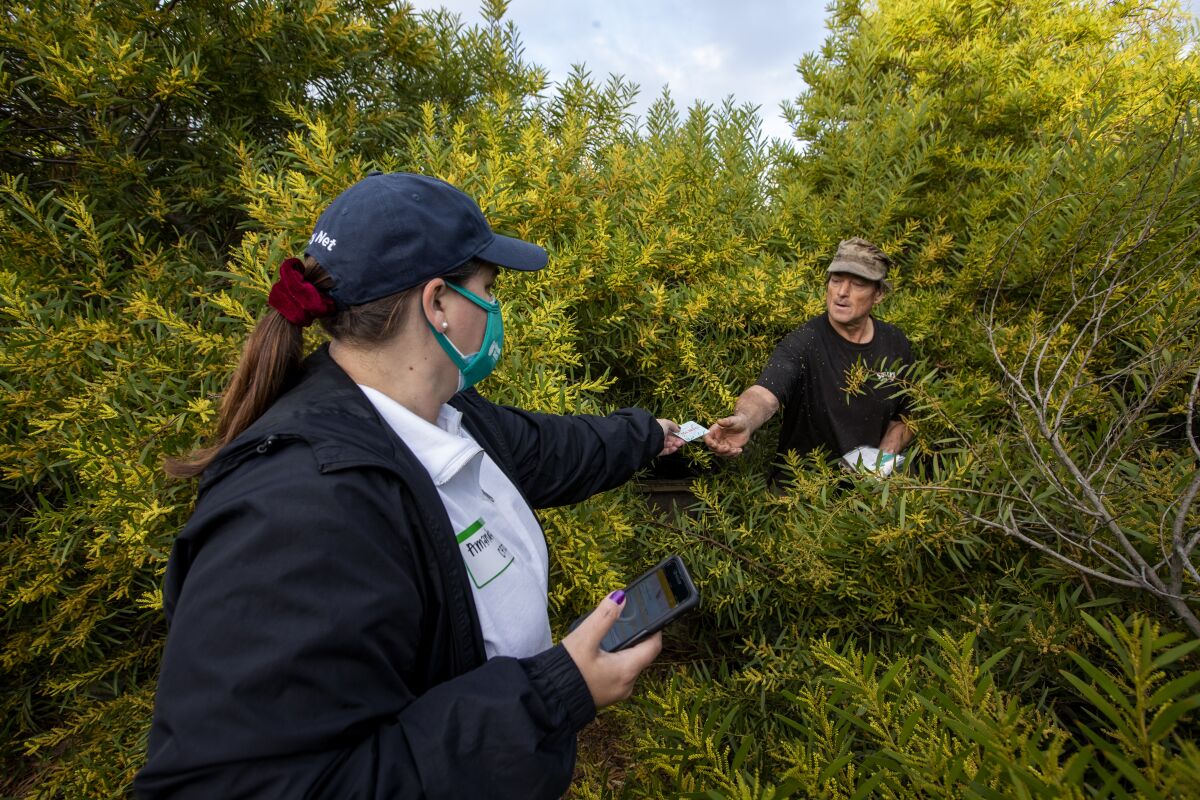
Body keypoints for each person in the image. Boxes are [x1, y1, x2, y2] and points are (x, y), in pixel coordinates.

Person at [135, 172, 684, 799]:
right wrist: (553, 696)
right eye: (489, 288)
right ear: (439, 305)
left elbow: (551, 450)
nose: (496, 308)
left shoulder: (446, 415)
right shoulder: (301, 509)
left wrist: (653, 434)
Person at [705, 237, 913, 478]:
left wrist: (878, 465)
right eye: (835, 281)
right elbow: (764, 394)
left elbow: (907, 416)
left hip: (866, 503)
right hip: (801, 499)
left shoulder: (895, 343)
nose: (842, 293)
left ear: (878, 294)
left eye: (857, 284)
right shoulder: (805, 342)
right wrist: (744, 420)